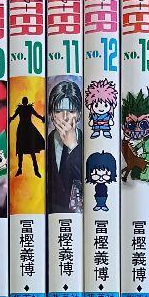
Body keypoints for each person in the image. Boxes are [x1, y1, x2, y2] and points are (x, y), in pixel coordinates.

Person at [47, 80, 83, 212]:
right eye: (59, 111)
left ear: (79, 114)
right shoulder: (43, 143)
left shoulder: (88, 143)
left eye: (71, 111)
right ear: (51, 115)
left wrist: (73, 146)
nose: (66, 117)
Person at [10, 94, 45, 178]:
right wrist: (42, 118)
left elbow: (13, 117)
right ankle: (23, 169)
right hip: (24, 129)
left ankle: (34, 170)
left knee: (27, 151)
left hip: (26, 129)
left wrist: (42, 118)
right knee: (23, 151)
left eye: (24, 101)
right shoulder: (24, 108)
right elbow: (37, 115)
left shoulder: (26, 108)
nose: (24, 102)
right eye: (24, 101)